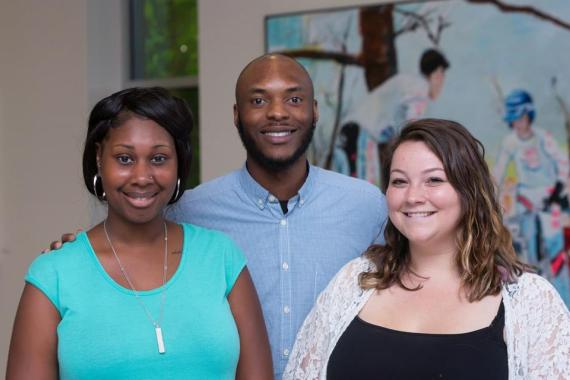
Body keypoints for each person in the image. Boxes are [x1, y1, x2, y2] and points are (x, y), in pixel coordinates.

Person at [45, 54, 387, 378]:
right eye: (258, 101)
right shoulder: (190, 212)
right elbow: (129, 238)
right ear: (236, 115)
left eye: (294, 99)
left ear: (314, 111)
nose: (277, 113)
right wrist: (76, 256)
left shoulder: (367, 206)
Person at [7, 87, 272, 379]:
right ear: (99, 158)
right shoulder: (54, 274)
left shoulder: (222, 258)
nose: (142, 177)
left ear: (179, 163)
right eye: (124, 159)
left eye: (159, 159)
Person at [285, 119, 570, 379]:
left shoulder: (529, 301)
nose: (412, 197)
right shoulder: (354, 282)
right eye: (399, 181)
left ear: (468, 191)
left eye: (434, 180)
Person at [493, 89, 570, 304]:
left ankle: (565, 303)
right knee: (531, 256)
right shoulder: (510, 142)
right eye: (515, 118)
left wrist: (558, 190)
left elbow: (563, 163)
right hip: (526, 201)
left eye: (522, 117)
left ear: (529, 115)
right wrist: (491, 194)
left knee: (556, 256)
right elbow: (498, 171)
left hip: (549, 200)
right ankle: (540, 305)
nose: (519, 122)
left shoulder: (543, 138)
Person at [336, 48, 450, 185]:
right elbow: (414, 129)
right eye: (442, 76)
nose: (442, 83)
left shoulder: (409, 83)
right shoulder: (420, 90)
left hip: (352, 130)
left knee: (353, 184)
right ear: (437, 73)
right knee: (363, 187)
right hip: (361, 134)